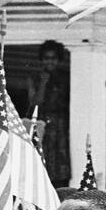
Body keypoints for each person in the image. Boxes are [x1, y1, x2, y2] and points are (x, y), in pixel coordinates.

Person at [28, 40, 71, 187]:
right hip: (43, 124)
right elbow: (35, 103)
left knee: (60, 164)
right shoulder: (35, 78)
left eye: (53, 58)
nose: (49, 61)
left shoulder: (66, 78)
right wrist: (43, 83)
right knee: (43, 160)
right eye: (46, 58)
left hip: (60, 126)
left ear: (58, 59)